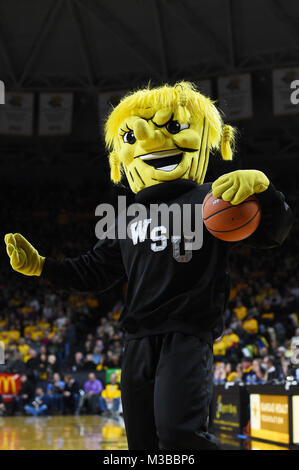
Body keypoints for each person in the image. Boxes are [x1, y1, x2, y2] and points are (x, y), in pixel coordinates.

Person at [4, 82, 294, 450]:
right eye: (133, 134)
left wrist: (266, 195)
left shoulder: (211, 199)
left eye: (173, 127)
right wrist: (43, 267)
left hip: (187, 334)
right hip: (137, 340)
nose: (151, 140)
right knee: (141, 444)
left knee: (180, 436)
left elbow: (272, 234)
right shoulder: (125, 216)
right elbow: (94, 271)